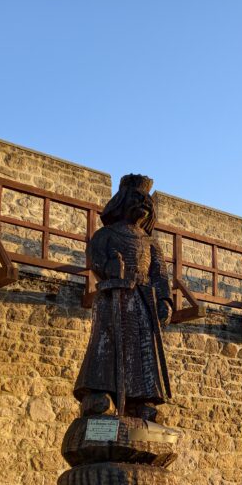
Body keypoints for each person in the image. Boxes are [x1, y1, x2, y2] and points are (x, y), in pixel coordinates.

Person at [73, 174, 173, 421]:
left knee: (140, 351)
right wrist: (109, 267)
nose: (144, 203)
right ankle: (99, 394)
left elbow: (159, 275)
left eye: (146, 200)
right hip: (113, 298)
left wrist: (165, 301)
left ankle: (138, 401)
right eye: (137, 198)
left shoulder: (151, 243)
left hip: (141, 302)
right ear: (122, 201)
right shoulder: (105, 235)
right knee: (106, 345)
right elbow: (95, 259)